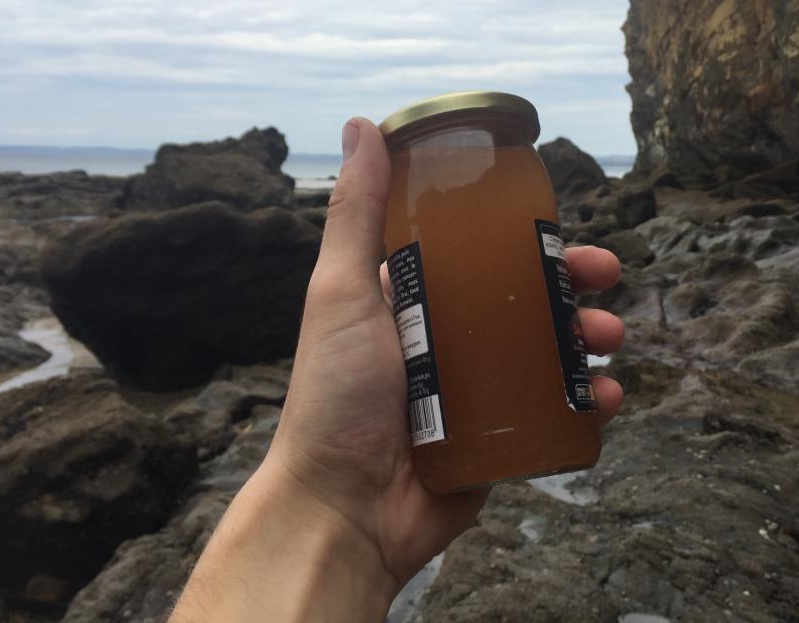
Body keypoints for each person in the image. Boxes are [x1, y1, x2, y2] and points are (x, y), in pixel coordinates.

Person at [168, 118, 625, 622]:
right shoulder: (425, 174)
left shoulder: (507, 160)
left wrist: (320, 508)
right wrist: (325, 495)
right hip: (428, 458)